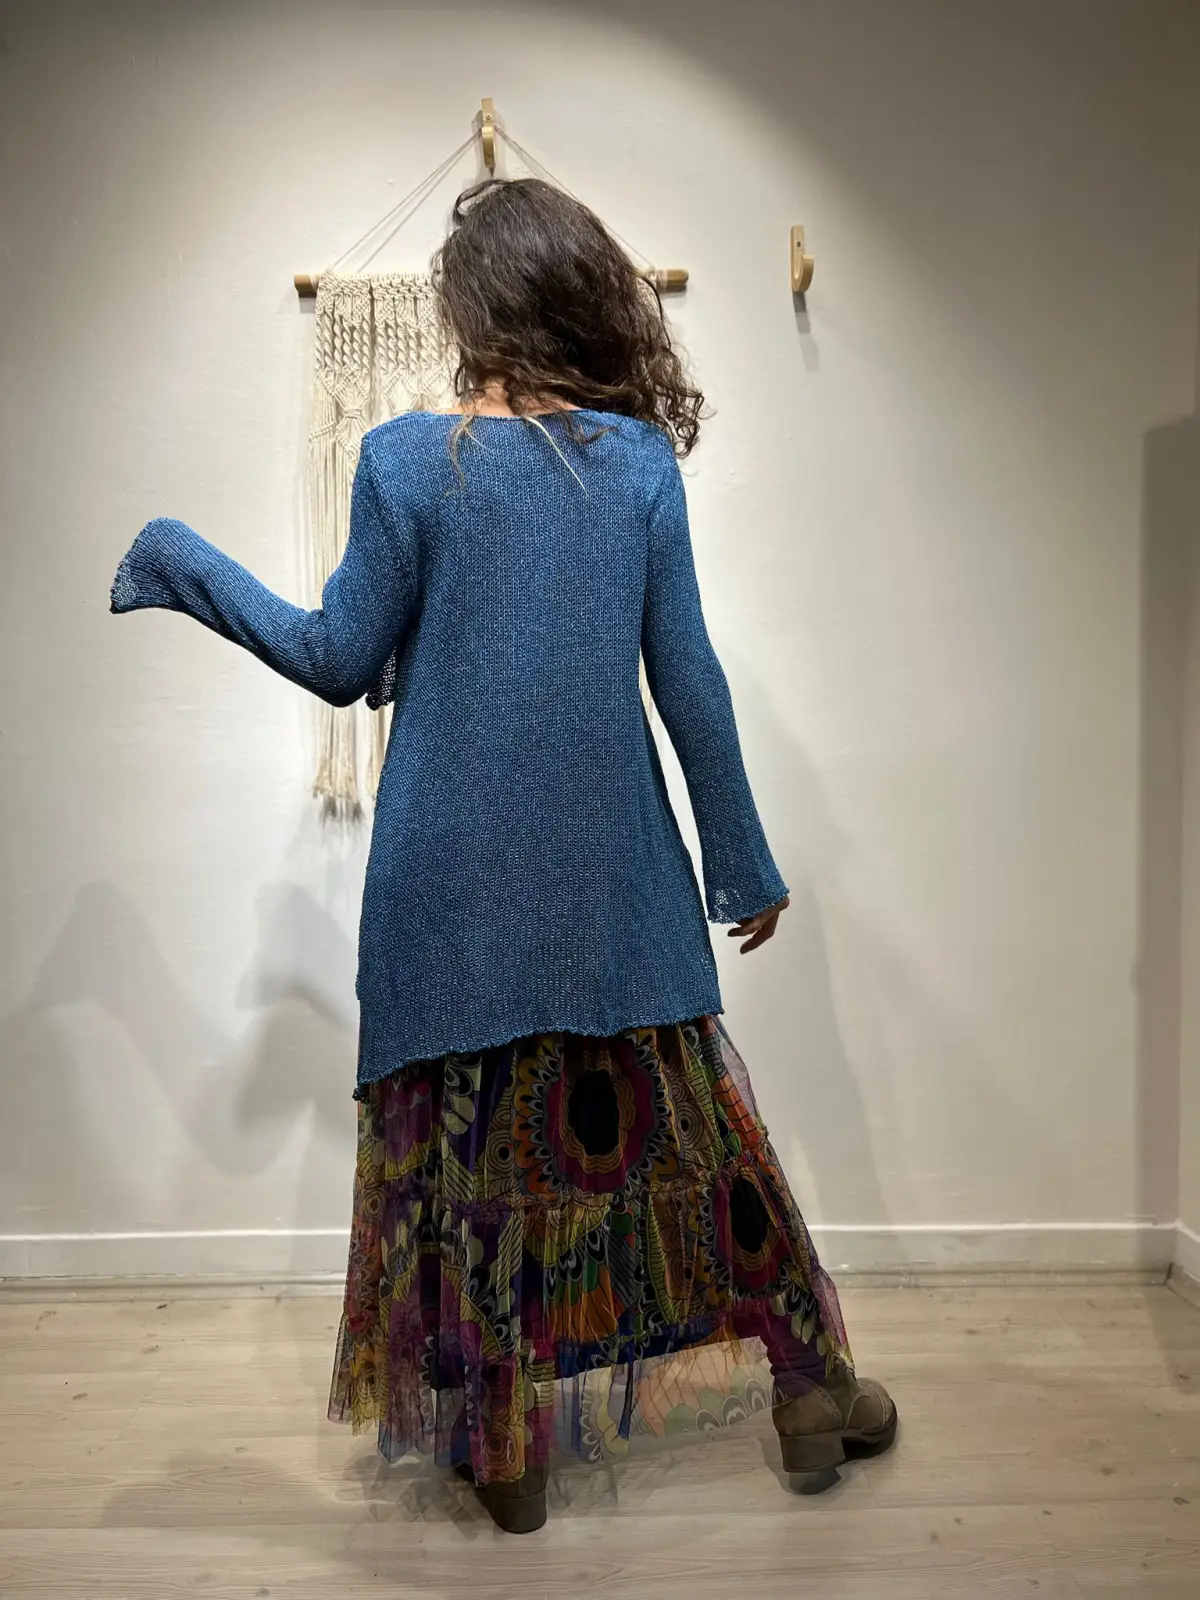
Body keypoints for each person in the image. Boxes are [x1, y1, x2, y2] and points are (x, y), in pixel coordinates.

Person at [110, 176, 897, 1533]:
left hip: (446, 891)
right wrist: (742, 864)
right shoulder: (636, 464)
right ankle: (809, 1386)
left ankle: (505, 1447)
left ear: (473, 311)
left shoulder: (407, 463)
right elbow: (690, 681)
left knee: (470, 1173)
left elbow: (337, 658)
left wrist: (182, 560)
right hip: (610, 887)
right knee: (692, 1152)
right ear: (582, 296)